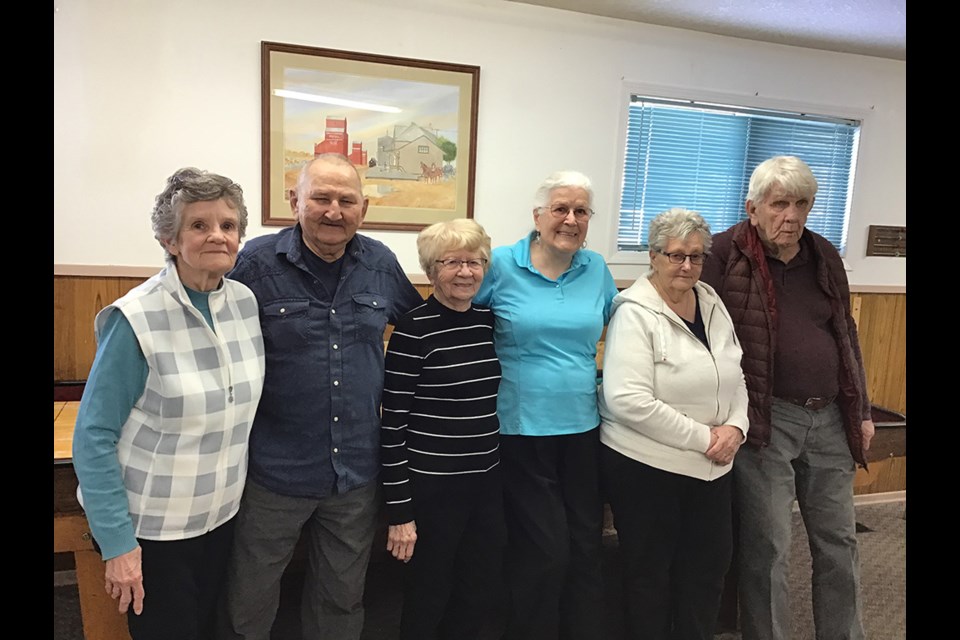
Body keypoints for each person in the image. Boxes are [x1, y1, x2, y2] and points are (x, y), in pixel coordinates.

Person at [219, 153, 424, 640]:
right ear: (295, 202)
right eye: (321, 198)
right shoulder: (254, 264)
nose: (334, 211)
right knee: (250, 596)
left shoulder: (379, 262)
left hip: (355, 473)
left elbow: (420, 331)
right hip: (275, 470)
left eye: (346, 200)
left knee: (342, 599)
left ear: (364, 208)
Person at [71, 168, 265, 640]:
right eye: (199, 225)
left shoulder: (243, 301)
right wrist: (118, 545)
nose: (217, 235)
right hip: (152, 531)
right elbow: (93, 436)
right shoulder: (136, 317)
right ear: (169, 238)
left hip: (221, 516)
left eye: (228, 224)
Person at [700, 155, 875, 640]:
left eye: (802, 204)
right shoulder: (720, 254)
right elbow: (704, 340)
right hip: (765, 419)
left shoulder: (822, 253)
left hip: (830, 419)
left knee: (838, 541)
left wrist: (859, 409)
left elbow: (846, 333)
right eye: (780, 204)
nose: (791, 216)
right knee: (769, 546)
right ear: (753, 207)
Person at [473, 170, 618, 640]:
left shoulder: (595, 267)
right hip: (519, 430)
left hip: (583, 428)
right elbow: (460, 324)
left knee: (585, 547)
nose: (571, 219)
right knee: (545, 551)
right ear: (538, 216)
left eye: (581, 211)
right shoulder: (499, 264)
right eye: (561, 209)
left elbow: (620, 330)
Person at [598, 208, 749, 640]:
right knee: (651, 575)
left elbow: (735, 373)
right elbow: (627, 399)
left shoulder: (711, 301)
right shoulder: (634, 311)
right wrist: (706, 438)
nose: (687, 265)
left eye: (697, 256)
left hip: (713, 466)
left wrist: (736, 427)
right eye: (676, 255)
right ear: (654, 256)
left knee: (707, 570)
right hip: (648, 466)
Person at [381, 218, 505, 640]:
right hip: (432, 489)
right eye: (452, 262)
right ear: (431, 269)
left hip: (487, 484)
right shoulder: (413, 330)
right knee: (428, 593)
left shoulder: (490, 322)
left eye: (475, 262)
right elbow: (391, 423)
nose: (466, 272)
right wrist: (400, 512)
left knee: (478, 590)